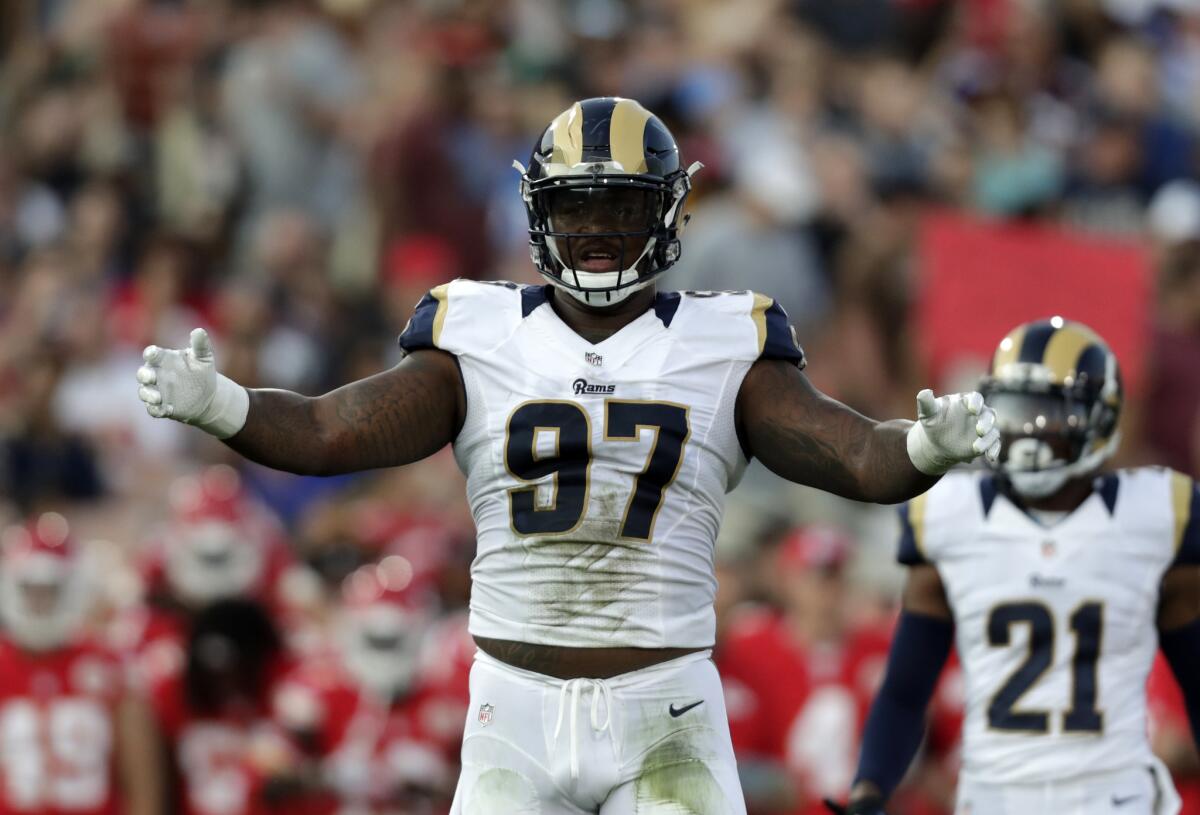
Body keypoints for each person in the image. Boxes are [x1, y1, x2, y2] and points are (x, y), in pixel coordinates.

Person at [135, 96, 1000, 814]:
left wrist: (925, 444)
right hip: (514, 697)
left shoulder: (724, 339)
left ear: (665, 211)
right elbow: (330, 432)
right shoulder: (473, 330)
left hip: (664, 704)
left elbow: (854, 457)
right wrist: (225, 405)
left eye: (620, 207)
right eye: (577, 205)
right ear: (540, 210)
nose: (595, 229)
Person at [827, 318, 1200, 815]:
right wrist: (869, 791)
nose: (1029, 433)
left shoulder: (1155, 516)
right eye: (1017, 411)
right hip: (995, 798)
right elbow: (905, 689)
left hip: (1114, 797)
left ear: (1101, 418)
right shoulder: (950, 515)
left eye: (1048, 414)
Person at [0, 513, 163, 815]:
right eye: (31, 591)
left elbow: (141, 781)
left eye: (50, 591)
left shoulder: (109, 663)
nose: (40, 603)